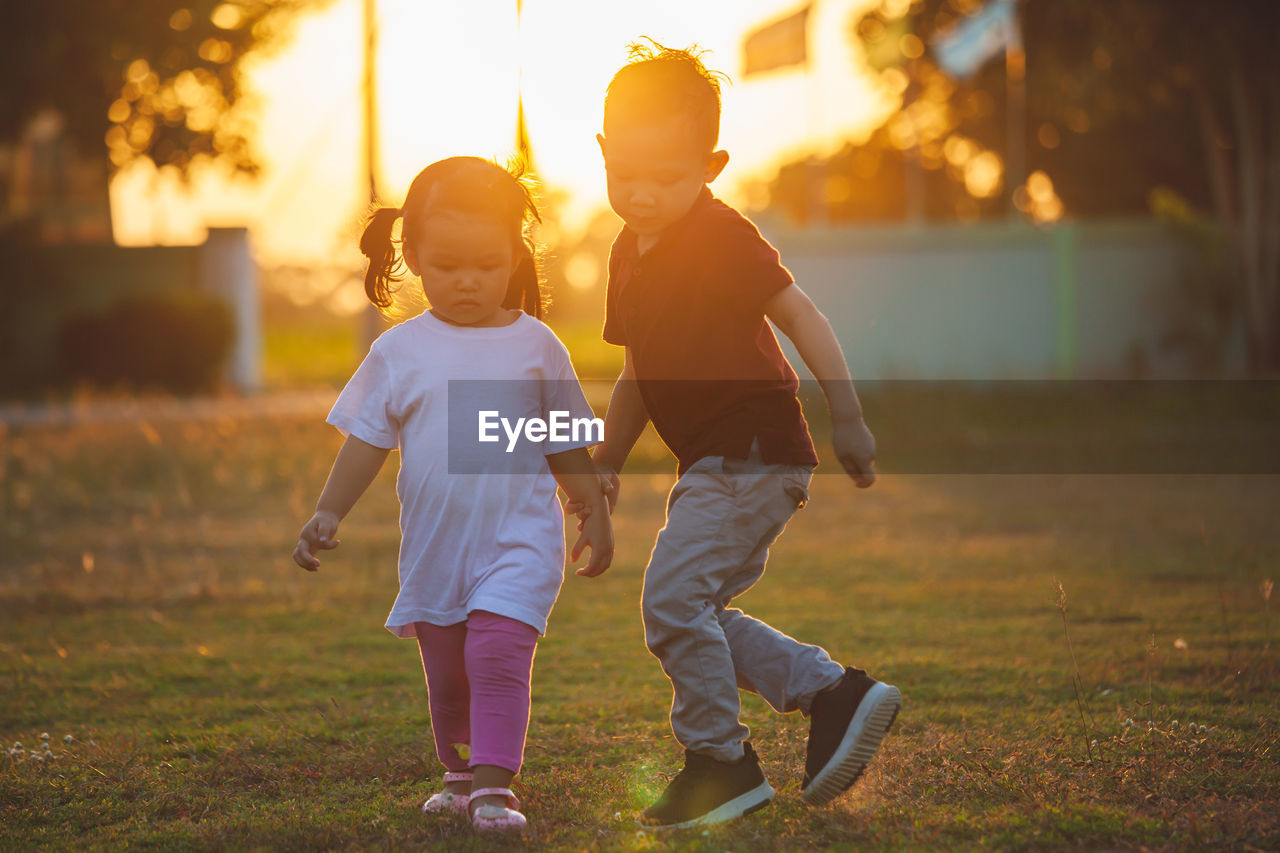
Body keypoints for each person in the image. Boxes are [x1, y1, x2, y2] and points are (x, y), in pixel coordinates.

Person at [582, 42, 901, 829]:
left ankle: (720, 764)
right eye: (626, 175)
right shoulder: (627, 252)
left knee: (670, 600)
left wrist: (849, 413)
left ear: (712, 164)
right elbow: (638, 373)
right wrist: (605, 463)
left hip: (753, 453)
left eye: (668, 176)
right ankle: (833, 693)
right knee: (695, 609)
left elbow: (801, 315)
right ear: (599, 152)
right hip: (717, 462)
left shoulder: (721, 236)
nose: (645, 194)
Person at [292, 156, 613, 835]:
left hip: (520, 542)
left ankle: (495, 788)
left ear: (514, 257)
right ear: (412, 256)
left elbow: (564, 445)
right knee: (447, 676)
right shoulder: (399, 351)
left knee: (495, 655)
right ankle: (460, 775)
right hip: (437, 550)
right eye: (446, 265)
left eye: (487, 265)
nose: (468, 281)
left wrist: (594, 509)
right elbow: (366, 440)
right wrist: (328, 509)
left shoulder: (538, 346)